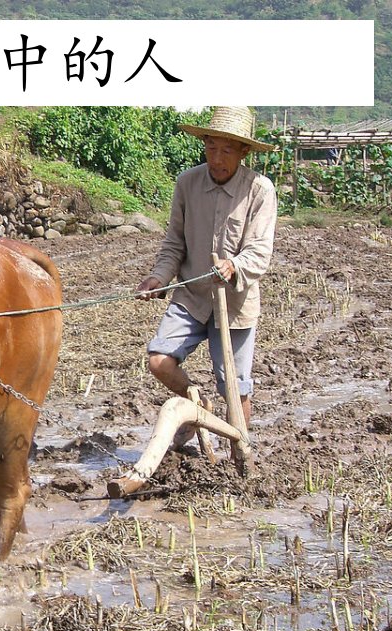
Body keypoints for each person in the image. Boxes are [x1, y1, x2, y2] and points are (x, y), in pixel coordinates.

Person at [135, 106, 278, 449]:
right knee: (159, 361)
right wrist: (158, 277)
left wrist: (235, 267)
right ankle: (196, 403)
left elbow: (259, 251)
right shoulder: (187, 183)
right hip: (192, 296)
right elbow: (174, 242)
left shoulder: (260, 190)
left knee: (234, 384)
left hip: (235, 303)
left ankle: (239, 452)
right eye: (212, 147)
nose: (217, 158)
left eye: (227, 150)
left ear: (244, 152)